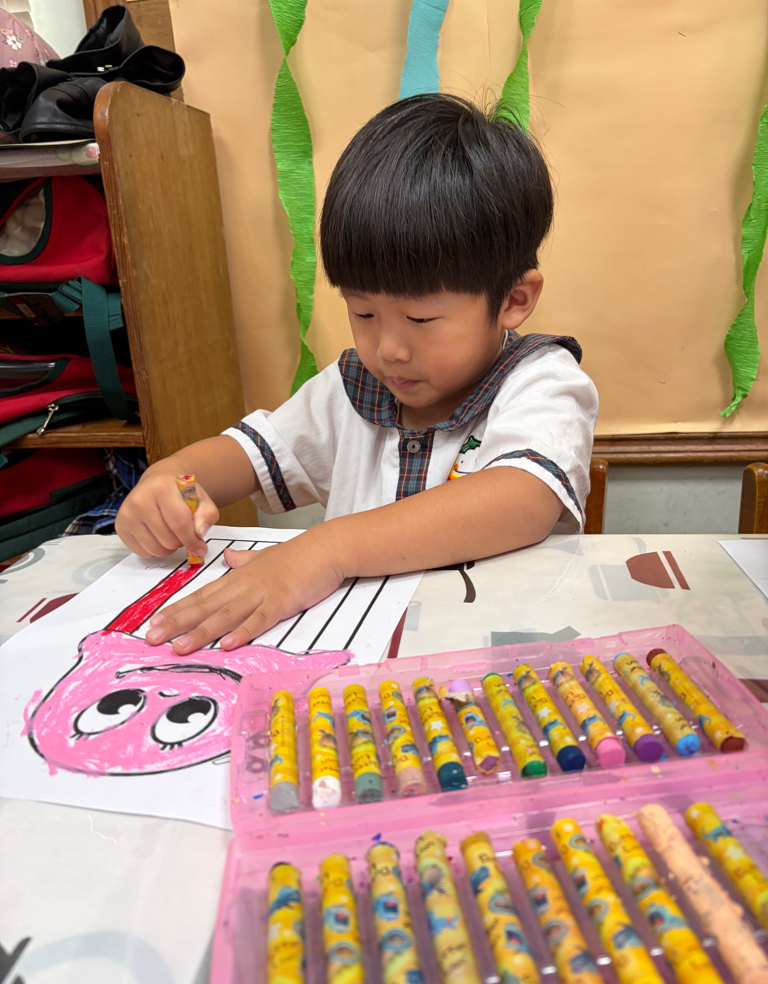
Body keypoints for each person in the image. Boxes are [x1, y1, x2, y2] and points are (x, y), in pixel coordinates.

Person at [116, 93, 598, 655]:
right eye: (363, 313)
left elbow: (522, 500)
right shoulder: (350, 391)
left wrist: (324, 550)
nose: (388, 349)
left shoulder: (542, 382)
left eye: (421, 319)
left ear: (514, 299)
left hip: (494, 665)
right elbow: (241, 456)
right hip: (356, 669)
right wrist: (171, 482)